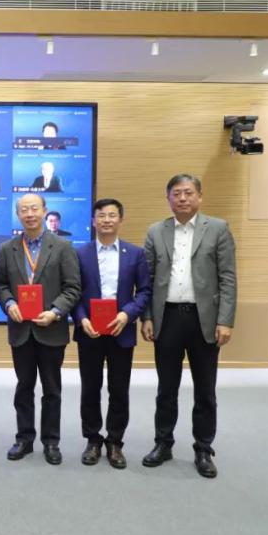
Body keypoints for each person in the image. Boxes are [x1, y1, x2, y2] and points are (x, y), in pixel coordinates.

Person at [141, 174, 236, 479]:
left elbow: (228, 277)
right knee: (166, 388)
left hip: (203, 319)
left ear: (199, 196)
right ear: (168, 198)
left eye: (188, 193)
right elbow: (147, 280)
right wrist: (147, 317)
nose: (182, 198)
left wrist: (225, 320)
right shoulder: (156, 231)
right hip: (167, 317)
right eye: (176, 194)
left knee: (205, 390)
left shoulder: (218, 228)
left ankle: (203, 448)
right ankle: (163, 443)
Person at [0, 193, 81, 465]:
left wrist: (55, 311)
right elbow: (1, 285)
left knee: (51, 389)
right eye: (24, 210)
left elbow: (73, 288)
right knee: (24, 387)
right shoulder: (7, 248)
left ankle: (51, 442)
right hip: (21, 329)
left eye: (34, 208)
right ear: (18, 215)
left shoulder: (63, 247)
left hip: (51, 330)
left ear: (45, 211)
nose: (29, 214)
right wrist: (9, 303)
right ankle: (24, 438)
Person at [73, 198, 151, 469]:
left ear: (120, 220)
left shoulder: (135, 254)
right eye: (101, 216)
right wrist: (81, 318)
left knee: (119, 389)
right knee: (90, 388)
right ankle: (93, 439)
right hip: (90, 331)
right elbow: (73, 291)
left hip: (121, 330)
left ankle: (115, 441)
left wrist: (127, 314)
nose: (106, 220)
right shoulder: (79, 254)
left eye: (112, 215)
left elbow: (145, 291)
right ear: (93, 221)